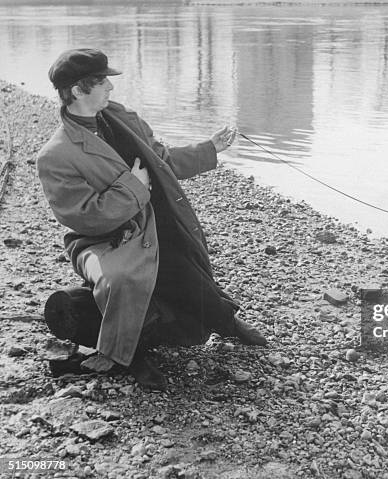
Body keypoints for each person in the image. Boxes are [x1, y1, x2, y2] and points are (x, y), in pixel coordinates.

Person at [37, 48, 267, 391]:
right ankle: (126, 357)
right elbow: (87, 217)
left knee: (185, 271)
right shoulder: (55, 155)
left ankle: (226, 321)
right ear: (78, 90)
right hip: (101, 241)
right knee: (123, 279)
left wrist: (210, 149)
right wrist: (133, 187)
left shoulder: (120, 118)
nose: (111, 90)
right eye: (103, 83)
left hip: (149, 227)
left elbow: (162, 161)